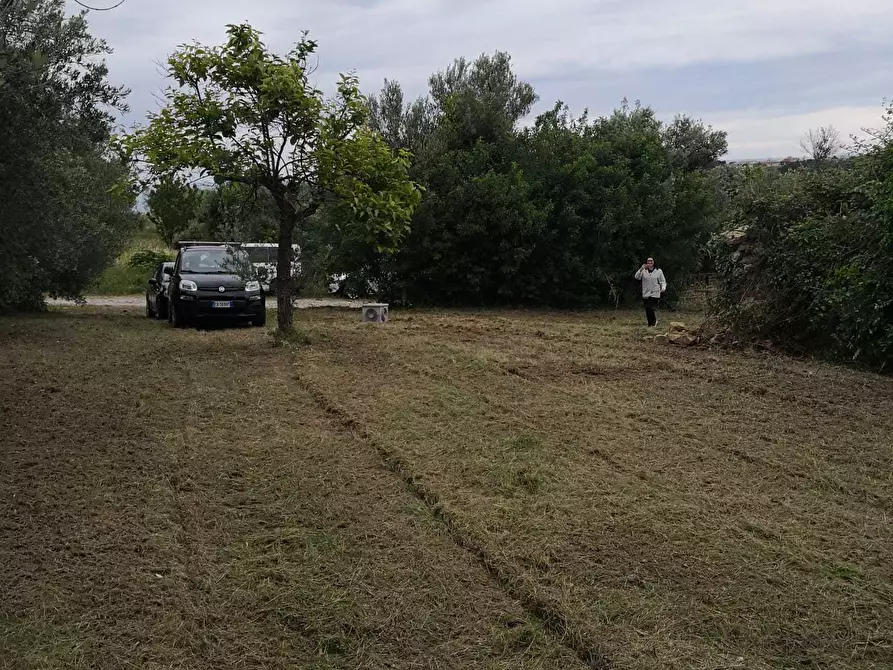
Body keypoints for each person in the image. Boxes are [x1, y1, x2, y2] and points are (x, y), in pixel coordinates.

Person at [634, 257, 667, 327]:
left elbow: (663, 281)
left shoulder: (658, 271)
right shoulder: (643, 271)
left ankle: (654, 321)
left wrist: (663, 287)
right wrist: (641, 269)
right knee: (647, 309)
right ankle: (650, 324)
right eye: (648, 262)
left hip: (655, 292)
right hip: (646, 292)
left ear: (654, 262)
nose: (650, 263)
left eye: (651, 261)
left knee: (650, 307)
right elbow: (637, 277)